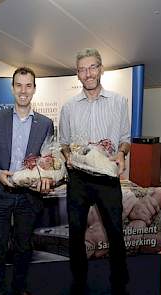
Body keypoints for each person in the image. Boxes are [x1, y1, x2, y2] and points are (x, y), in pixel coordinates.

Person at [59, 48, 131, 295]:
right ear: (77, 74)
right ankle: (78, 282)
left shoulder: (119, 102)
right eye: (82, 69)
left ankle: (119, 283)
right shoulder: (69, 107)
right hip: (78, 178)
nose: (87, 73)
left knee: (115, 232)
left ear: (101, 69)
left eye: (92, 67)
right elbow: (64, 143)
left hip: (107, 177)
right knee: (76, 233)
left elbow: (125, 139)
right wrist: (68, 156)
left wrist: (121, 153)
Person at [0, 67, 54, 295]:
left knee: (23, 249)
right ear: (12, 89)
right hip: (0, 193)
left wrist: (47, 175)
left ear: (34, 89)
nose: (23, 90)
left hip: (28, 197)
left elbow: (48, 161)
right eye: (19, 85)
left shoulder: (46, 123)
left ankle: (19, 288)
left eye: (28, 85)